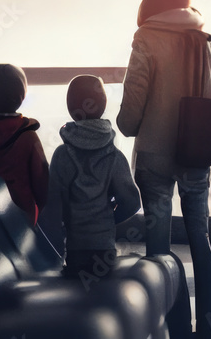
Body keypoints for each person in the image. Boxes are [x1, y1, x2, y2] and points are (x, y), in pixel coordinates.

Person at [117, 0, 211, 339]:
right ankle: (207, 324)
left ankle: (165, 323)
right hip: (198, 157)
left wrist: (126, 125)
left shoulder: (146, 37)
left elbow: (134, 103)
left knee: (158, 243)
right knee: (201, 239)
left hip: (156, 158)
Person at [46, 75, 141, 280]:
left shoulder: (62, 156)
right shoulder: (114, 156)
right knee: (102, 295)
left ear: (71, 109)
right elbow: (132, 202)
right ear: (104, 106)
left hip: (74, 247)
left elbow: (53, 205)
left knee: (76, 296)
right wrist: (108, 220)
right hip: (104, 247)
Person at [0, 63, 49, 225]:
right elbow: (42, 182)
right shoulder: (28, 137)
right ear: (22, 94)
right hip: (21, 215)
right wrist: (40, 209)